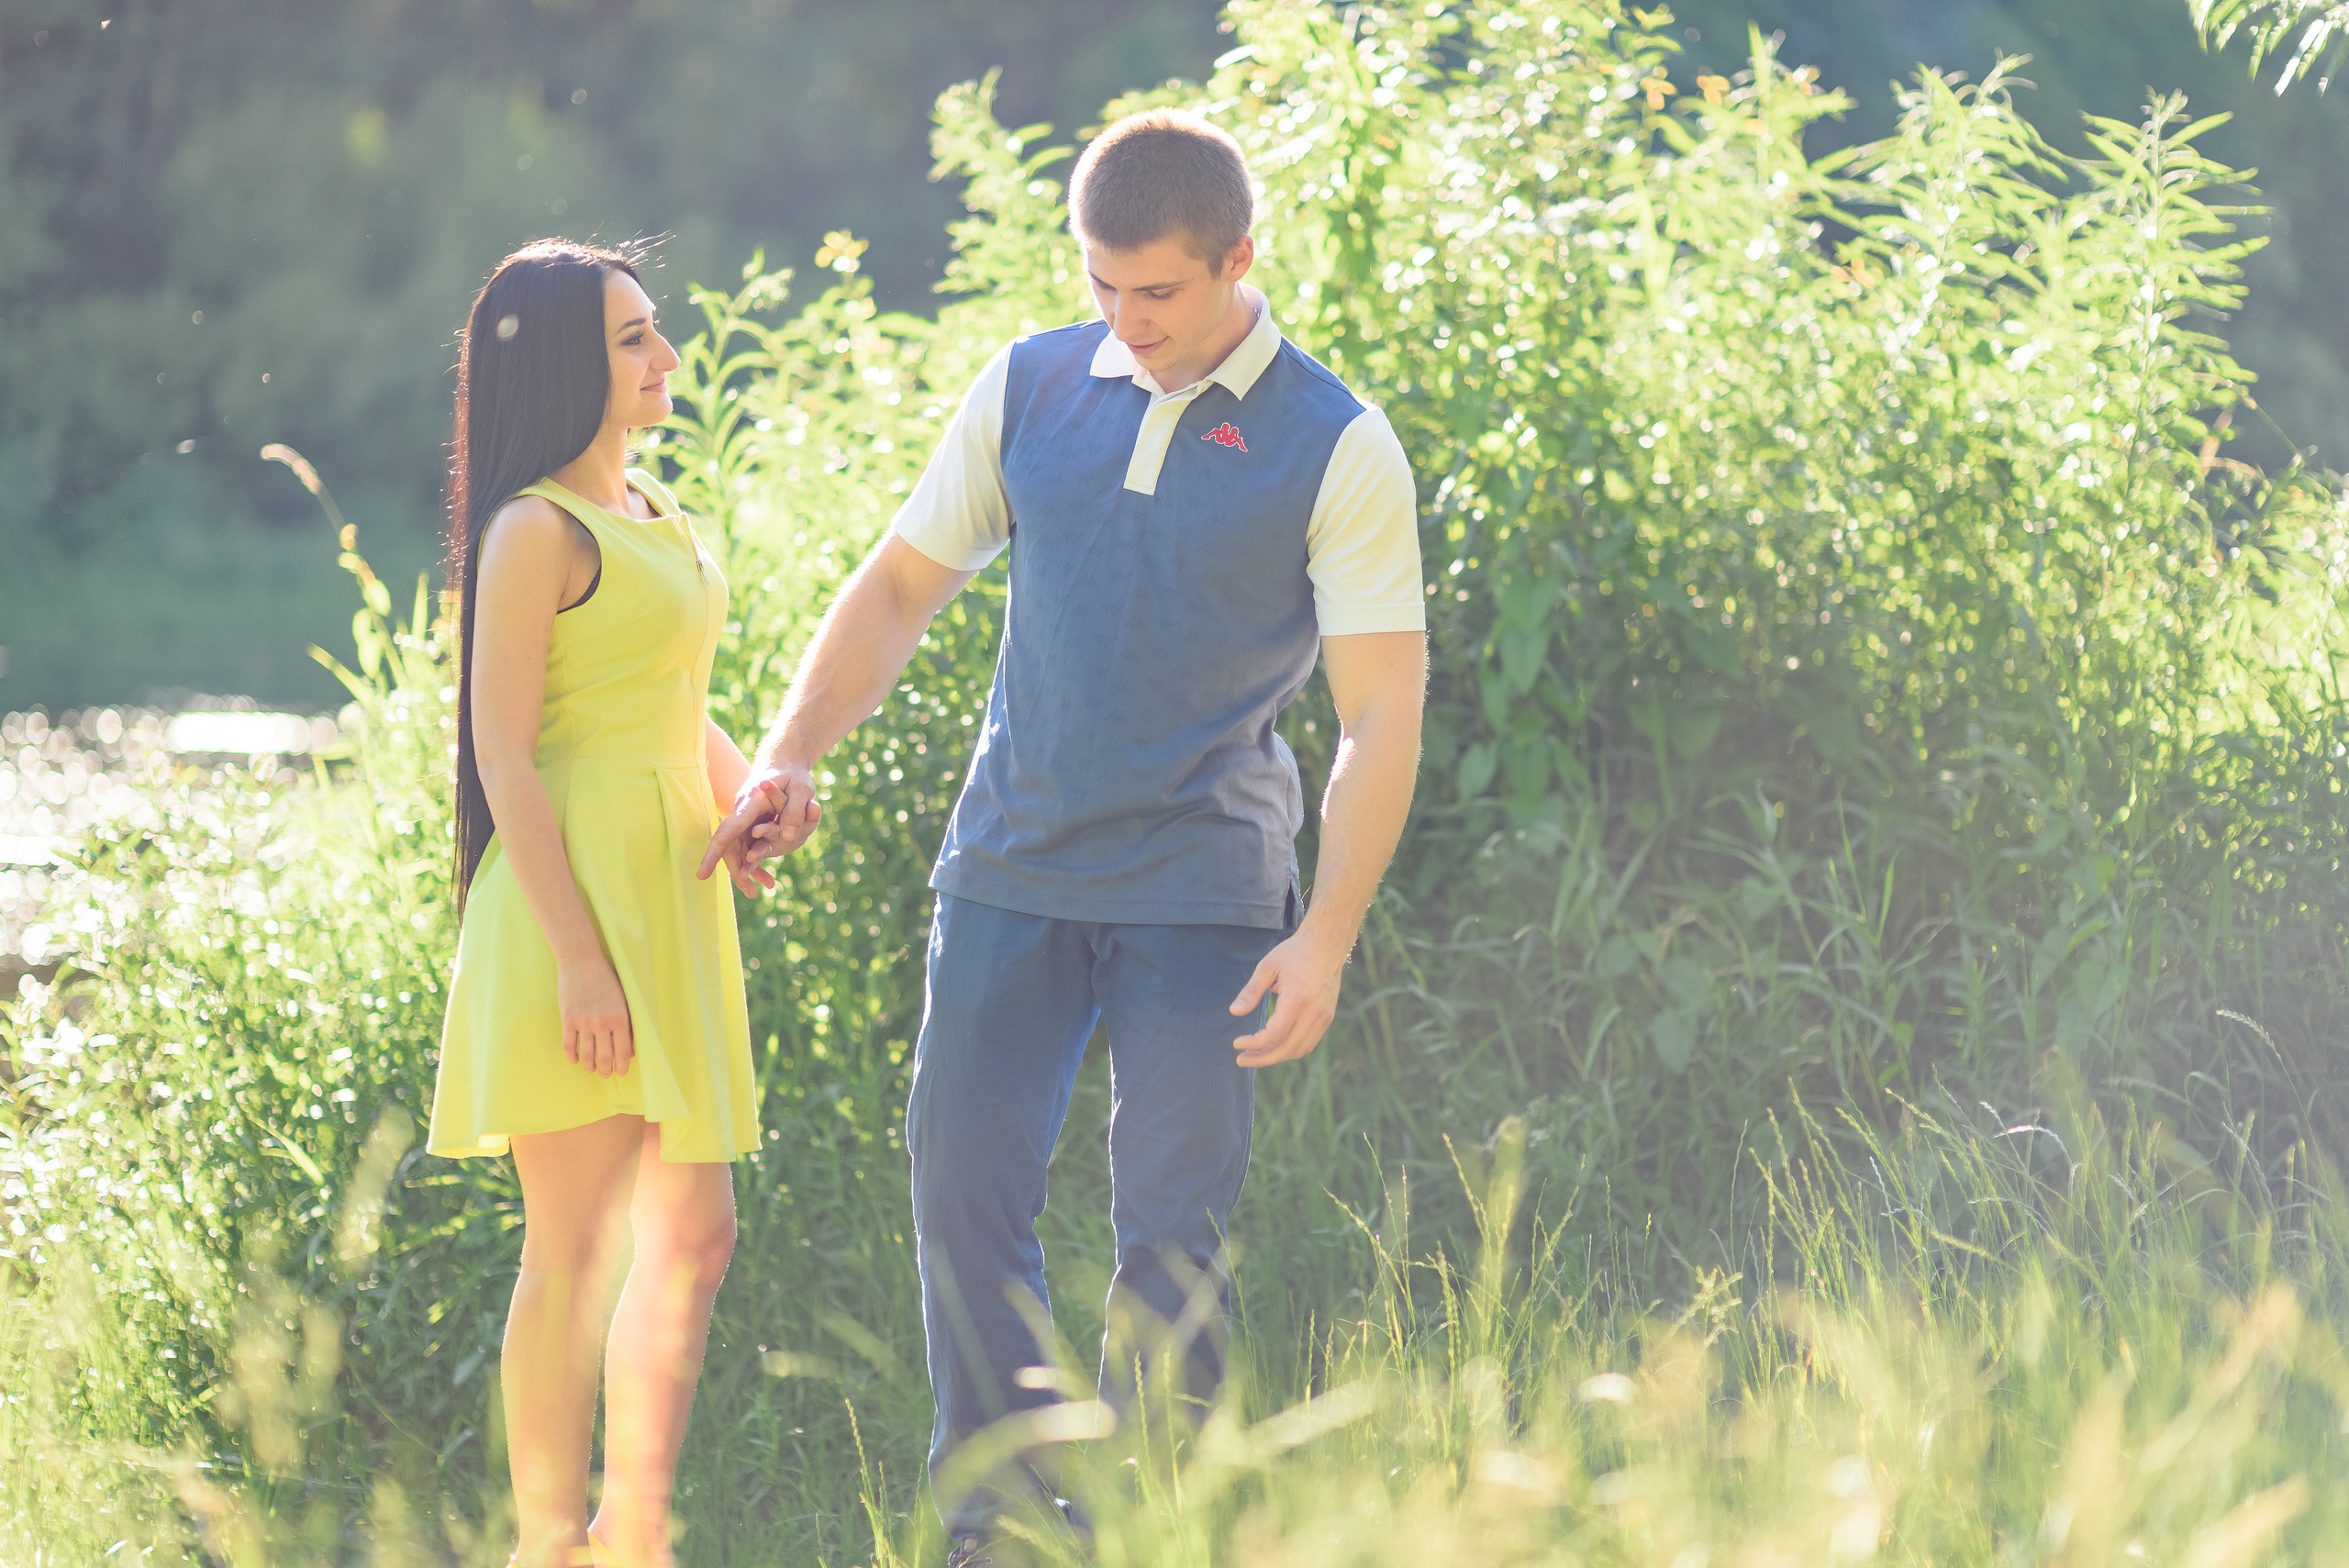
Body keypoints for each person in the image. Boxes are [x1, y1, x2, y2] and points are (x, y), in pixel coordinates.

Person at [703, 110, 1427, 1564]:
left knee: (1169, 1241)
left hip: (1205, 895)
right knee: (964, 1200)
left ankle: (1149, 1529)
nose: (1127, 321)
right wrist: (786, 756)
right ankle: (999, 1527)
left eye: (1156, 293)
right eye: (1101, 287)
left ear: (1237, 260)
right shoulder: (1033, 383)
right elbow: (902, 587)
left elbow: (1377, 712)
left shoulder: (1336, 443)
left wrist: (1327, 930)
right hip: (1009, 869)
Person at [427, 239, 767, 1568]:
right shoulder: (532, 529)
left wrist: (751, 796)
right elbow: (505, 749)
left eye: (655, 331)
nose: (664, 357)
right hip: (573, 913)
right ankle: (548, 1544)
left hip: (672, 904)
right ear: (570, 360)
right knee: (573, 1250)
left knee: (696, 1231)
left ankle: (634, 1532)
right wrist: (577, 957)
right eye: (633, 339)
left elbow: (671, 698)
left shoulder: (653, 510)